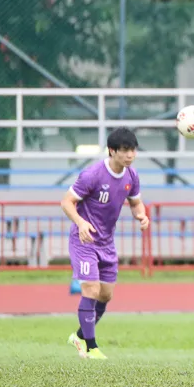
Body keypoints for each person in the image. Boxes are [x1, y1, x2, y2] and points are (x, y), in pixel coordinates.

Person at [61, 128, 150, 359]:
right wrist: (81, 223)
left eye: (133, 150)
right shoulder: (93, 174)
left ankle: (79, 336)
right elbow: (67, 202)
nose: (130, 155)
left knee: (105, 295)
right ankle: (90, 347)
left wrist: (141, 214)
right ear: (112, 151)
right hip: (85, 240)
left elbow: (136, 203)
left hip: (106, 243)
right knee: (91, 289)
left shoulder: (132, 176)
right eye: (124, 150)